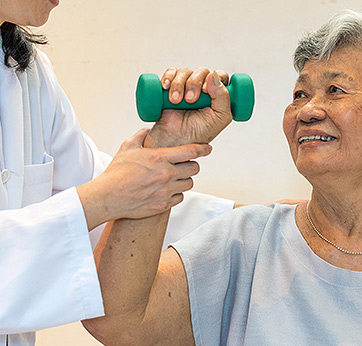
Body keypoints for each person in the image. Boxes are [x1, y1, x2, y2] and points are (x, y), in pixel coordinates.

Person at [82, 10, 362, 346]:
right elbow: (115, 321)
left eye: (335, 90)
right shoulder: (245, 242)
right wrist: (167, 147)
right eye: (300, 93)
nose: (307, 110)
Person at [0, 1, 238, 345]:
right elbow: (101, 197)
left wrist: (258, 225)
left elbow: (96, 188)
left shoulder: (27, 72)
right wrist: (102, 199)